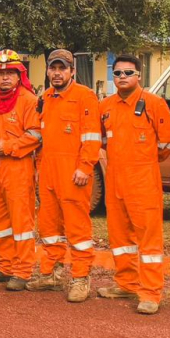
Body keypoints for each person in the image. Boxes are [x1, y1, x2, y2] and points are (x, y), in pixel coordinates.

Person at [97, 54, 170, 314]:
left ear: (139, 76)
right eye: (117, 73)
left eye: (128, 73)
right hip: (115, 179)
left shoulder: (153, 103)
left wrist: (142, 160)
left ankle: (151, 293)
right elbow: (102, 141)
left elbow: (167, 144)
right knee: (120, 237)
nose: (122, 77)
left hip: (143, 181)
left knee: (148, 240)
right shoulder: (106, 105)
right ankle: (126, 282)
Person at [29, 49, 101, 302]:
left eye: (62, 68)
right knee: (48, 227)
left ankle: (81, 278)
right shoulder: (45, 97)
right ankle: (51, 273)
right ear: (48, 70)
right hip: (48, 172)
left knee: (77, 229)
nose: (57, 73)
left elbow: (93, 137)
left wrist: (85, 166)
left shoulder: (85, 96)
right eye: (53, 68)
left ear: (72, 71)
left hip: (73, 174)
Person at [0, 50, 41, 291]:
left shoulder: (29, 100)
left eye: (10, 73)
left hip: (18, 168)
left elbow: (36, 135)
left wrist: (8, 146)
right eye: (0, 73)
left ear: (19, 76)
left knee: (21, 223)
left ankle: (22, 270)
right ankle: (5, 266)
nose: (5, 78)